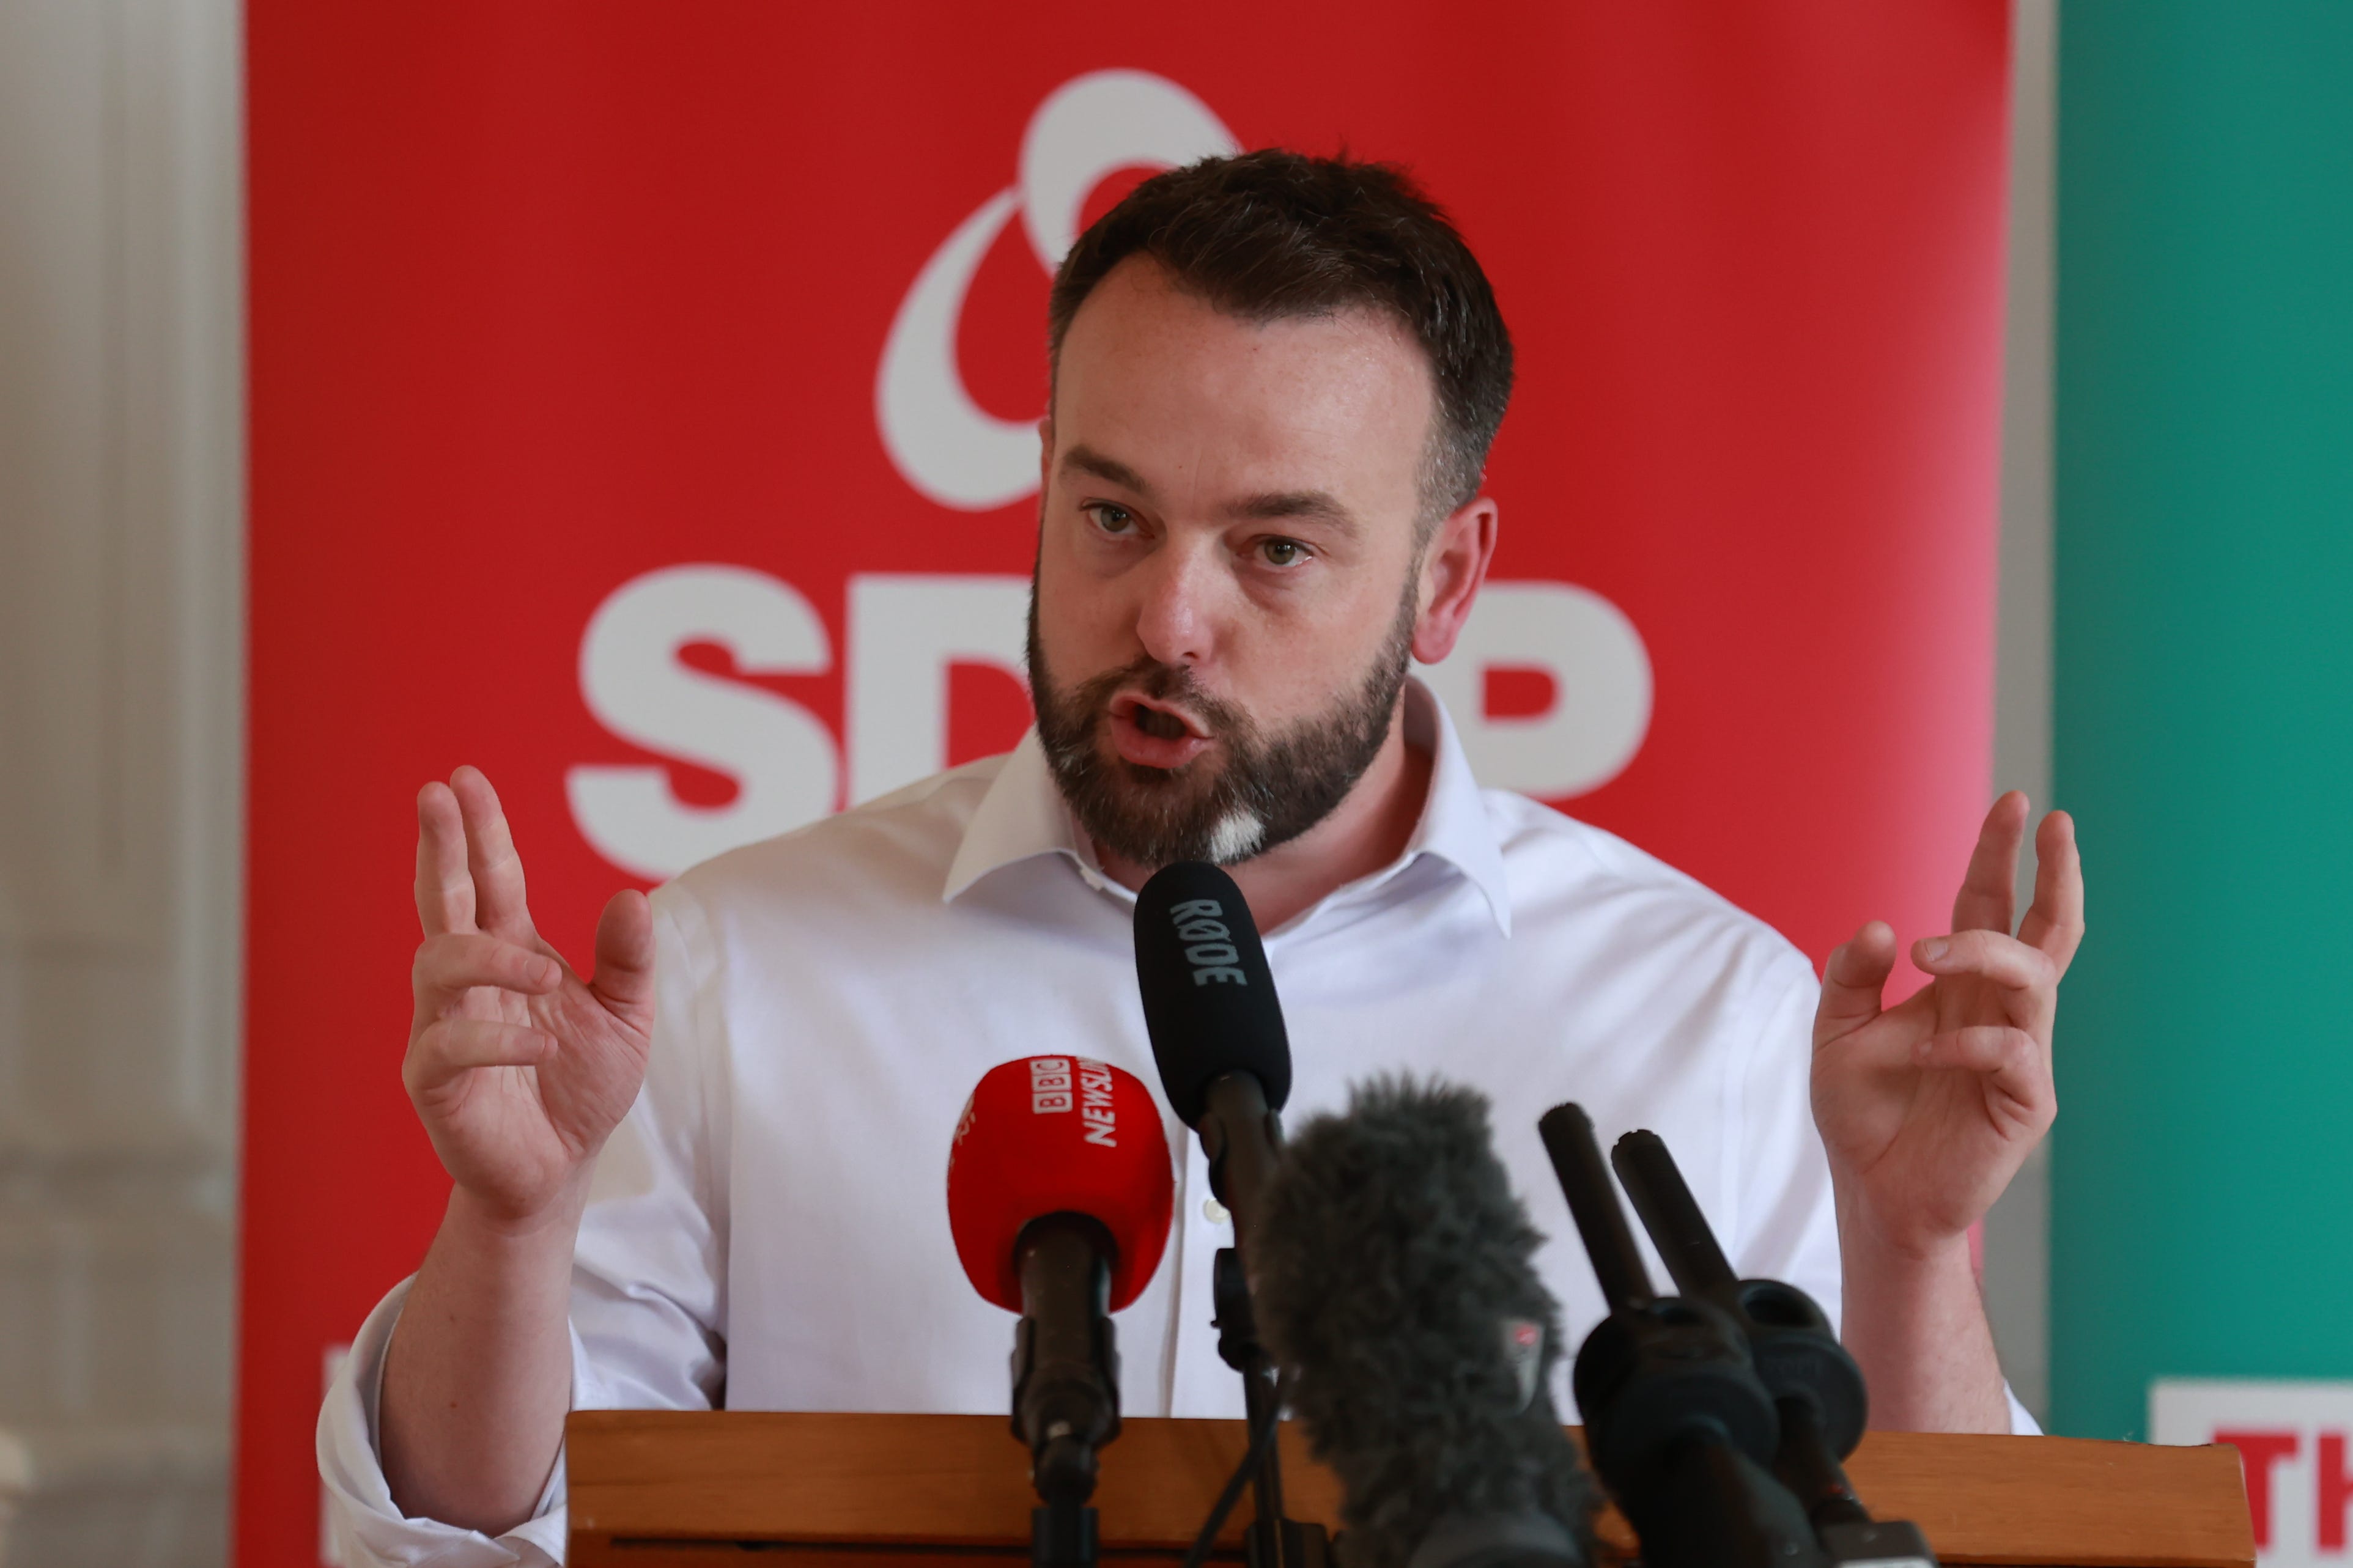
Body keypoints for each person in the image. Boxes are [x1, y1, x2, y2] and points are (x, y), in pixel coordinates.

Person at [319, 152, 2083, 1567]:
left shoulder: (1706, 1016)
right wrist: (513, 1223)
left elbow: (1891, 1554)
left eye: (1276, 550)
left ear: (1450, 580)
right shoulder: (730, 969)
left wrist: (1912, 1249)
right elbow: (465, 1552)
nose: (1167, 618)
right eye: (1112, 517)